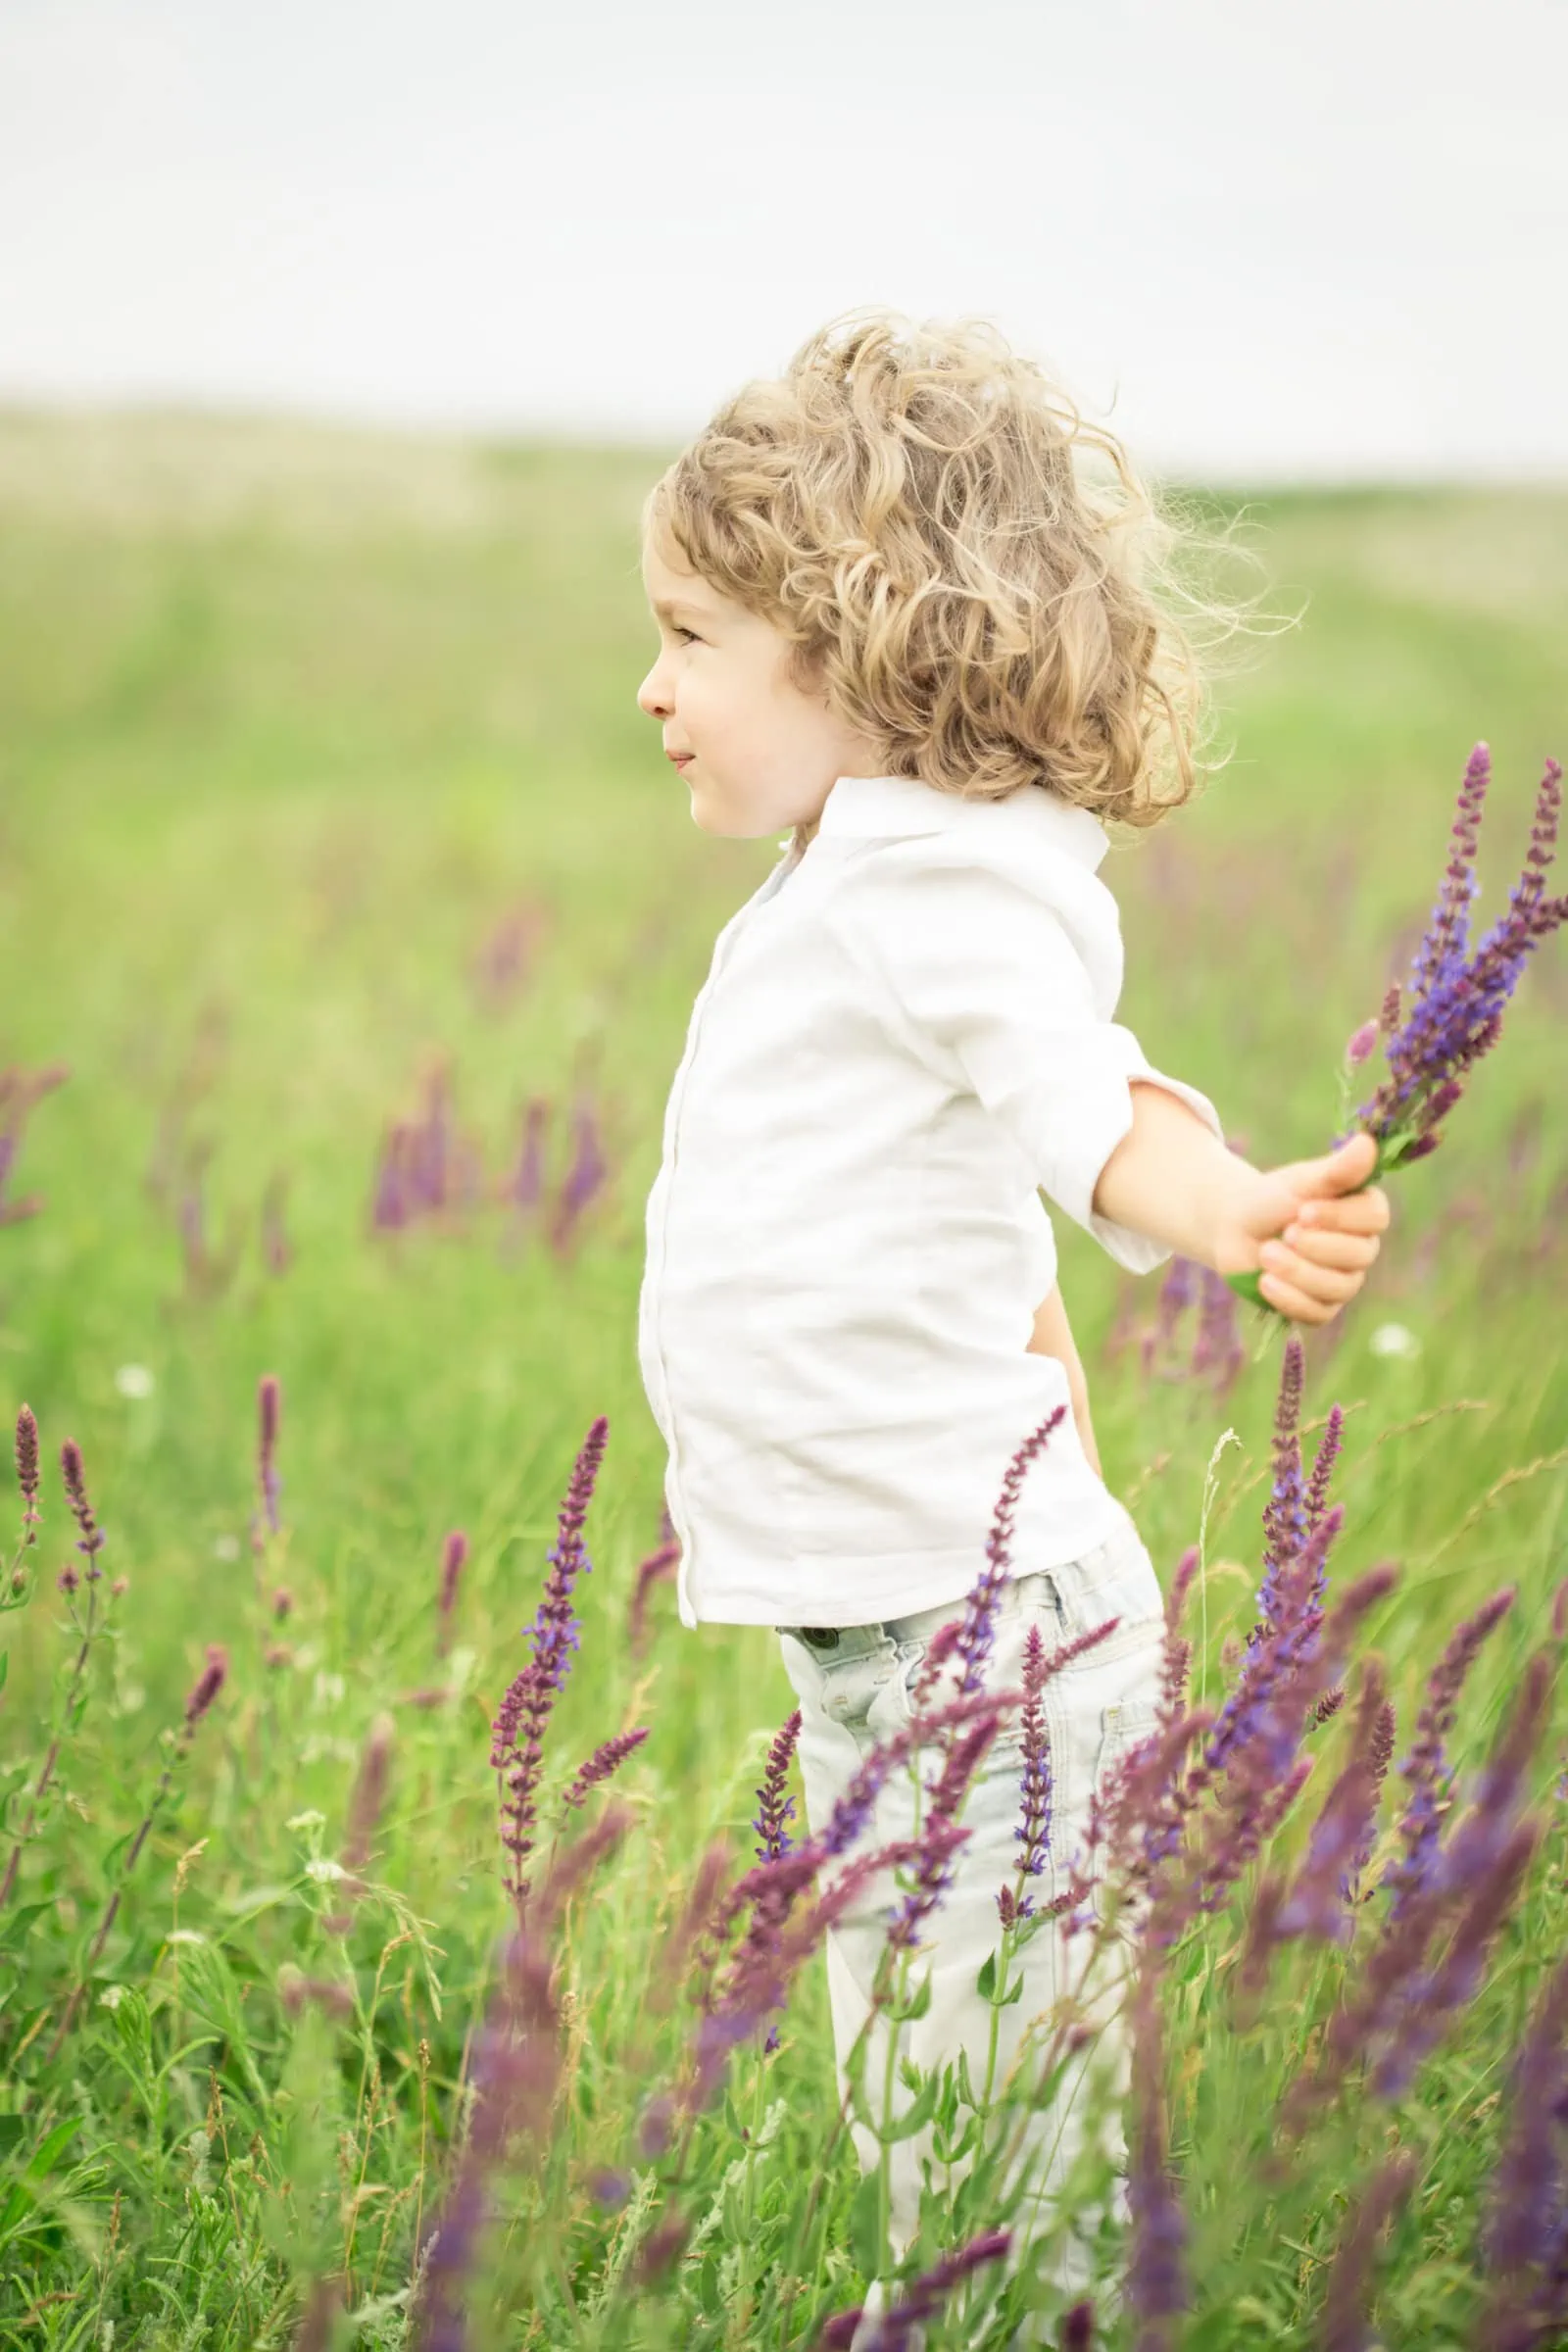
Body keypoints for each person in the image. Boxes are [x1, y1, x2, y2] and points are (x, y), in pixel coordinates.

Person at [632, 308, 1390, 2342]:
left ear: (853, 638)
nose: (651, 686)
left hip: (984, 1660)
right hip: (910, 1640)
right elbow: (989, 1214)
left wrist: (1227, 1210)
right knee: (937, 2129)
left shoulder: (924, 889)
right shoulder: (846, 877)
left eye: (692, 636)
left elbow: (1076, 1100)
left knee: (1007, 2178)